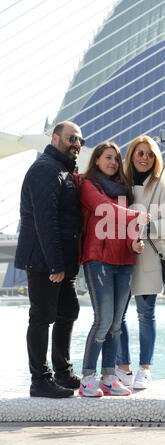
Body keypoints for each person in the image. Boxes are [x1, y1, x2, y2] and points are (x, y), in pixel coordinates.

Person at [15, 121, 84, 398]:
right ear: (55, 138)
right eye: (71, 138)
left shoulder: (63, 170)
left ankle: (63, 372)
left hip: (61, 261)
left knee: (68, 311)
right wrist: (56, 264)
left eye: (80, 139)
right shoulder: (45, 170)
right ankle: (40, 380)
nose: (77, 143)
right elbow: (46, 222)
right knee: (42, 316)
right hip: (44, 260)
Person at [78, 142, 147, 397]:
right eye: (108, 158)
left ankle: (108, 377)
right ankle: (87, 378)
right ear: (96, 160)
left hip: (125, 260)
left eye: (116, 159)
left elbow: (128, 227)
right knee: (103, 320)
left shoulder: (124, 192)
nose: (113, 163)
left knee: (117, 324)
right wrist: (136, 216)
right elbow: (103, 210)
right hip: (99, 259)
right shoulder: (88, 185)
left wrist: (135, 242)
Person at [116, 135, 165, 389]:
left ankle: (145, 369)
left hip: (149, 259)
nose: (144, 158)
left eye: (149, 154)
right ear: (131, 155)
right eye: (139, 153)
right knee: (117, 316)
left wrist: (149, 224)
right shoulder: (120, 184)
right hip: (121, 257)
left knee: (145, 315)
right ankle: (123, 368)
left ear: (155, 158)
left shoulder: (163, 186)